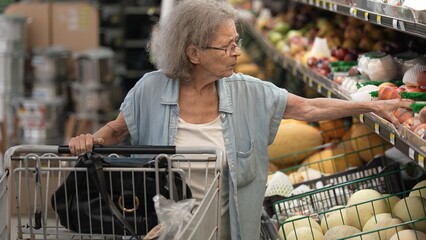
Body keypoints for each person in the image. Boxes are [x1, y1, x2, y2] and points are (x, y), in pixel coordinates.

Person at [68, 0, 413, 239]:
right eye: (227, 46)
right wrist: (91, 140)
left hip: (229, 228)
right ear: (194, 53)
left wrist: (367, 107)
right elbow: (116, 131)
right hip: (165, 229)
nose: (237, 52)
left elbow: (309, 109)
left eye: (237, 42)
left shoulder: (250, 92)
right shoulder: (150, 89)